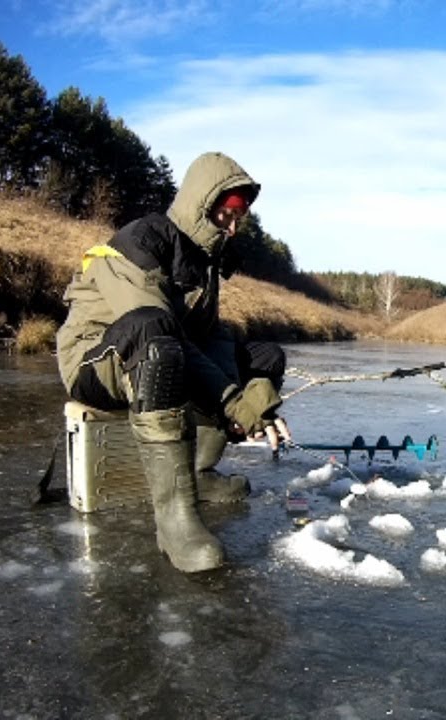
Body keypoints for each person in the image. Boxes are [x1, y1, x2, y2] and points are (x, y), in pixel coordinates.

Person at [55, 151, 290, 573]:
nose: (234, 226)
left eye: (242, 215)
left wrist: (257, 399)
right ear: (203, 203)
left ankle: (199, 472)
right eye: (228, 212)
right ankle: (174, 522)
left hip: (164, 349)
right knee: (159, 341)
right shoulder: (141, 242)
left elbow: (213, 340)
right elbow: (163, 334)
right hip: (96, 361)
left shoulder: (205, 264)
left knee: (263, 356)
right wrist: (233, 401)